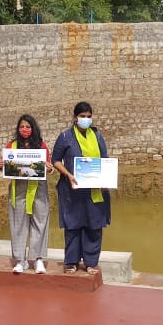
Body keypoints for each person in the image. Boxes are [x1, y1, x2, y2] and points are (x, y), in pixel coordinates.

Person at [51, 102, 111, 276]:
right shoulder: (65, 137)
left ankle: (91, 262)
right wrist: (68, 174)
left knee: (94, 226)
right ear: (75, 117)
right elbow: (55, 160)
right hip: (72, 189)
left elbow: (104, 161)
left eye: (88, 116)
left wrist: (105, 178)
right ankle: (71, 261)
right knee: (73, 225)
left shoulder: (98, 136)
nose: (85, 119)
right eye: (82, 116)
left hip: (94, 190)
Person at [2, 115, 52, 275]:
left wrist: (49, 167)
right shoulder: (12, 145)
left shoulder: (41, 145)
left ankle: (38, 259)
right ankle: (20, 260)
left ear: (33, 128)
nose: (25, 129)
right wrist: (0, 165)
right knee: (18, 223)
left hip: (38, 188)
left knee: (40, 222)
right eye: (22, 127)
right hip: (19, 189)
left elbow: (48, 167)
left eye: (28, 127)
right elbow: (6, 166)